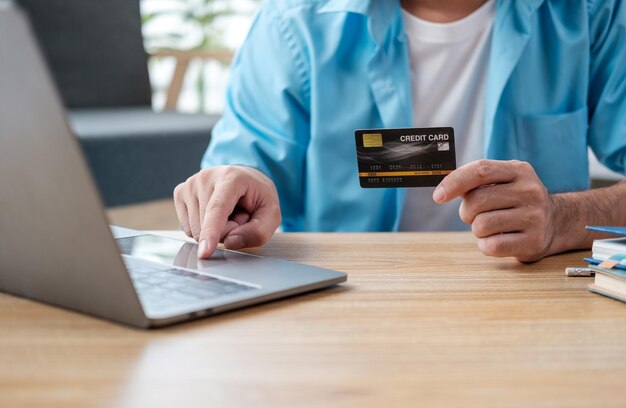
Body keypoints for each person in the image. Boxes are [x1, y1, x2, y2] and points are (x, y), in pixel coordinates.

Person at [173, 0, 626, 262]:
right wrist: (232, 189)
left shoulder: (592, 13)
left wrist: (560, 218)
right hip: (342, 306)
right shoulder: (293, 21)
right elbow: (239, 173)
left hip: (529, 303)